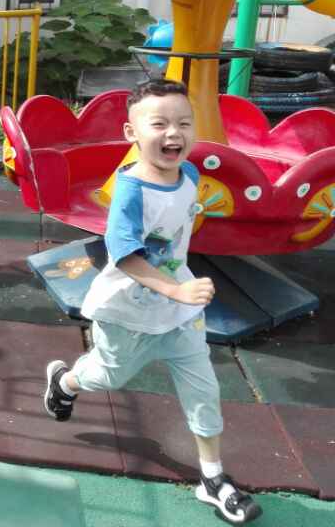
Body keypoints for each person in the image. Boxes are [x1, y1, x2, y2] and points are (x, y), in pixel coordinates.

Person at [43, 79, 262, 525]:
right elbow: (125, 255)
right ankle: (65, 382)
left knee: (204, 390)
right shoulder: (131, 191)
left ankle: (213, 478)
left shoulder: (190, 176)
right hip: (128, 310)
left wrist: (180, 287)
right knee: (108, 376)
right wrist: (176, 288)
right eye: (159, 124)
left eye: (184, 123)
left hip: (179, 314)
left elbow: (177, 230)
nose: (173, 133)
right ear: (132, 133)